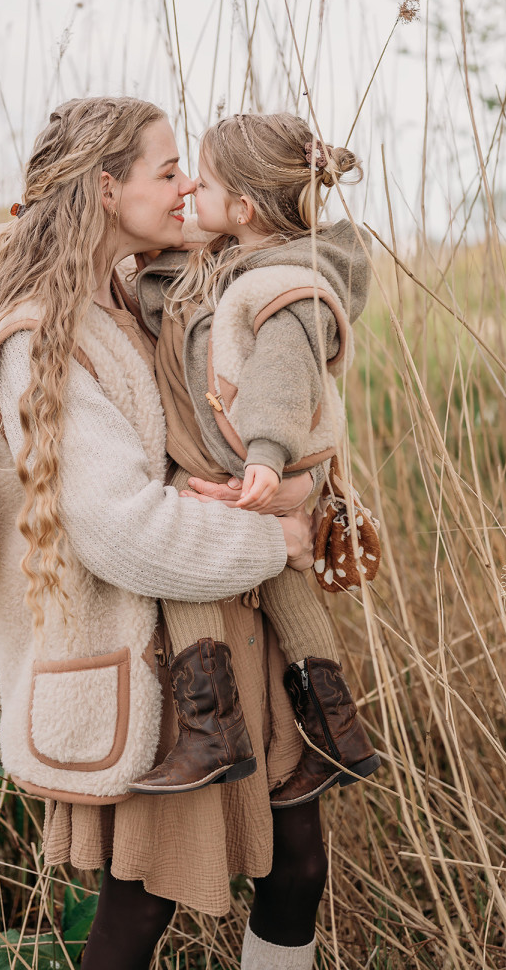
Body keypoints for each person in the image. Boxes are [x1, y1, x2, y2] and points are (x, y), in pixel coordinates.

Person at [0, 97, 334, 970]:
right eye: (168, 170)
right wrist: (277, 543)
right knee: (138, 912)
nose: (187, 189)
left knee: (298, 867)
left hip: (227, 640)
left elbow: (288, 280)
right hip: (158, 676)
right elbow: (121, 531)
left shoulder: (140, 300)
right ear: (108, 191)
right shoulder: (41, 342)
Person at [127, 111, 381, 810]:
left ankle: (213, 732)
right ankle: (339, 735)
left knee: (184, 565)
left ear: (240, 209)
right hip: (247, 463)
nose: (189, 193)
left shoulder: (280, 285)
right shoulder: (242, 263)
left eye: (200, 184)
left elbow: (279, 372)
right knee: (282, 577)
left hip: (246, 461)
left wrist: (266, 457)